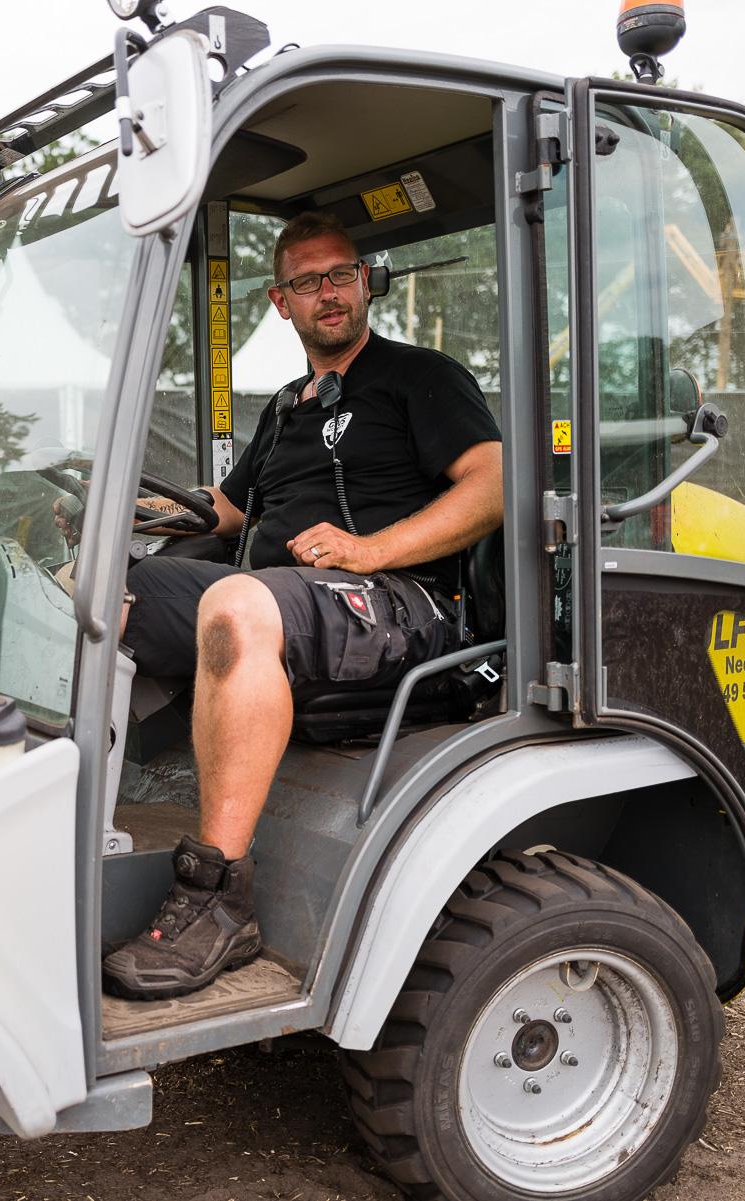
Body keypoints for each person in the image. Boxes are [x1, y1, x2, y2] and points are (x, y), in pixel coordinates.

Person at [100, 212, 503, 1000]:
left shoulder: (419, 376)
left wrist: (370, 549)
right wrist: (126, 511)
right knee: (105, 593)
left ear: (363, 284)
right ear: (280, 301)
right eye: (308, 281)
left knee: (237, 605)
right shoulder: (288, 404)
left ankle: (219, 895)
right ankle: (76, 819)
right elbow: (228, 509)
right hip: (293, 594)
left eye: (342, 275)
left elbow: (493, 486)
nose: (329, 292)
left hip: (399, 602)